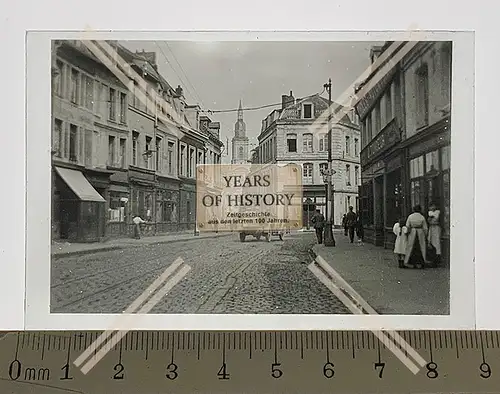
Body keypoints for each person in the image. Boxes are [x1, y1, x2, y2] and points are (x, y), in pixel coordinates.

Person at [427, 202, 442, 267]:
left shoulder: (438, 212)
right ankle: (432, 258)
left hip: (436, 228)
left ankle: (437, 258)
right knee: (431, 241)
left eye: (433, 206)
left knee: (437, 242)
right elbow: (429, 220)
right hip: (431, 228)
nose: (432, 208)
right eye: (431, 206)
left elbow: (438, 220)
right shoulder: (429, 213)